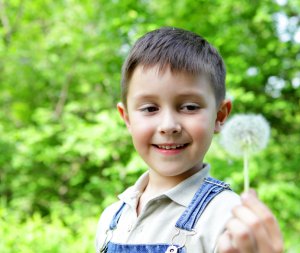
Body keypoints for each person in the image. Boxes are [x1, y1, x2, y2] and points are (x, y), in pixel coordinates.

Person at [95, 27, 283, 253]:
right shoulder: (111, 218)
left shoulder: (230, 220)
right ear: (127, 118)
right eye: (150, 108)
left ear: (220, 115)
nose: (168, 126)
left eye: (190, 107)